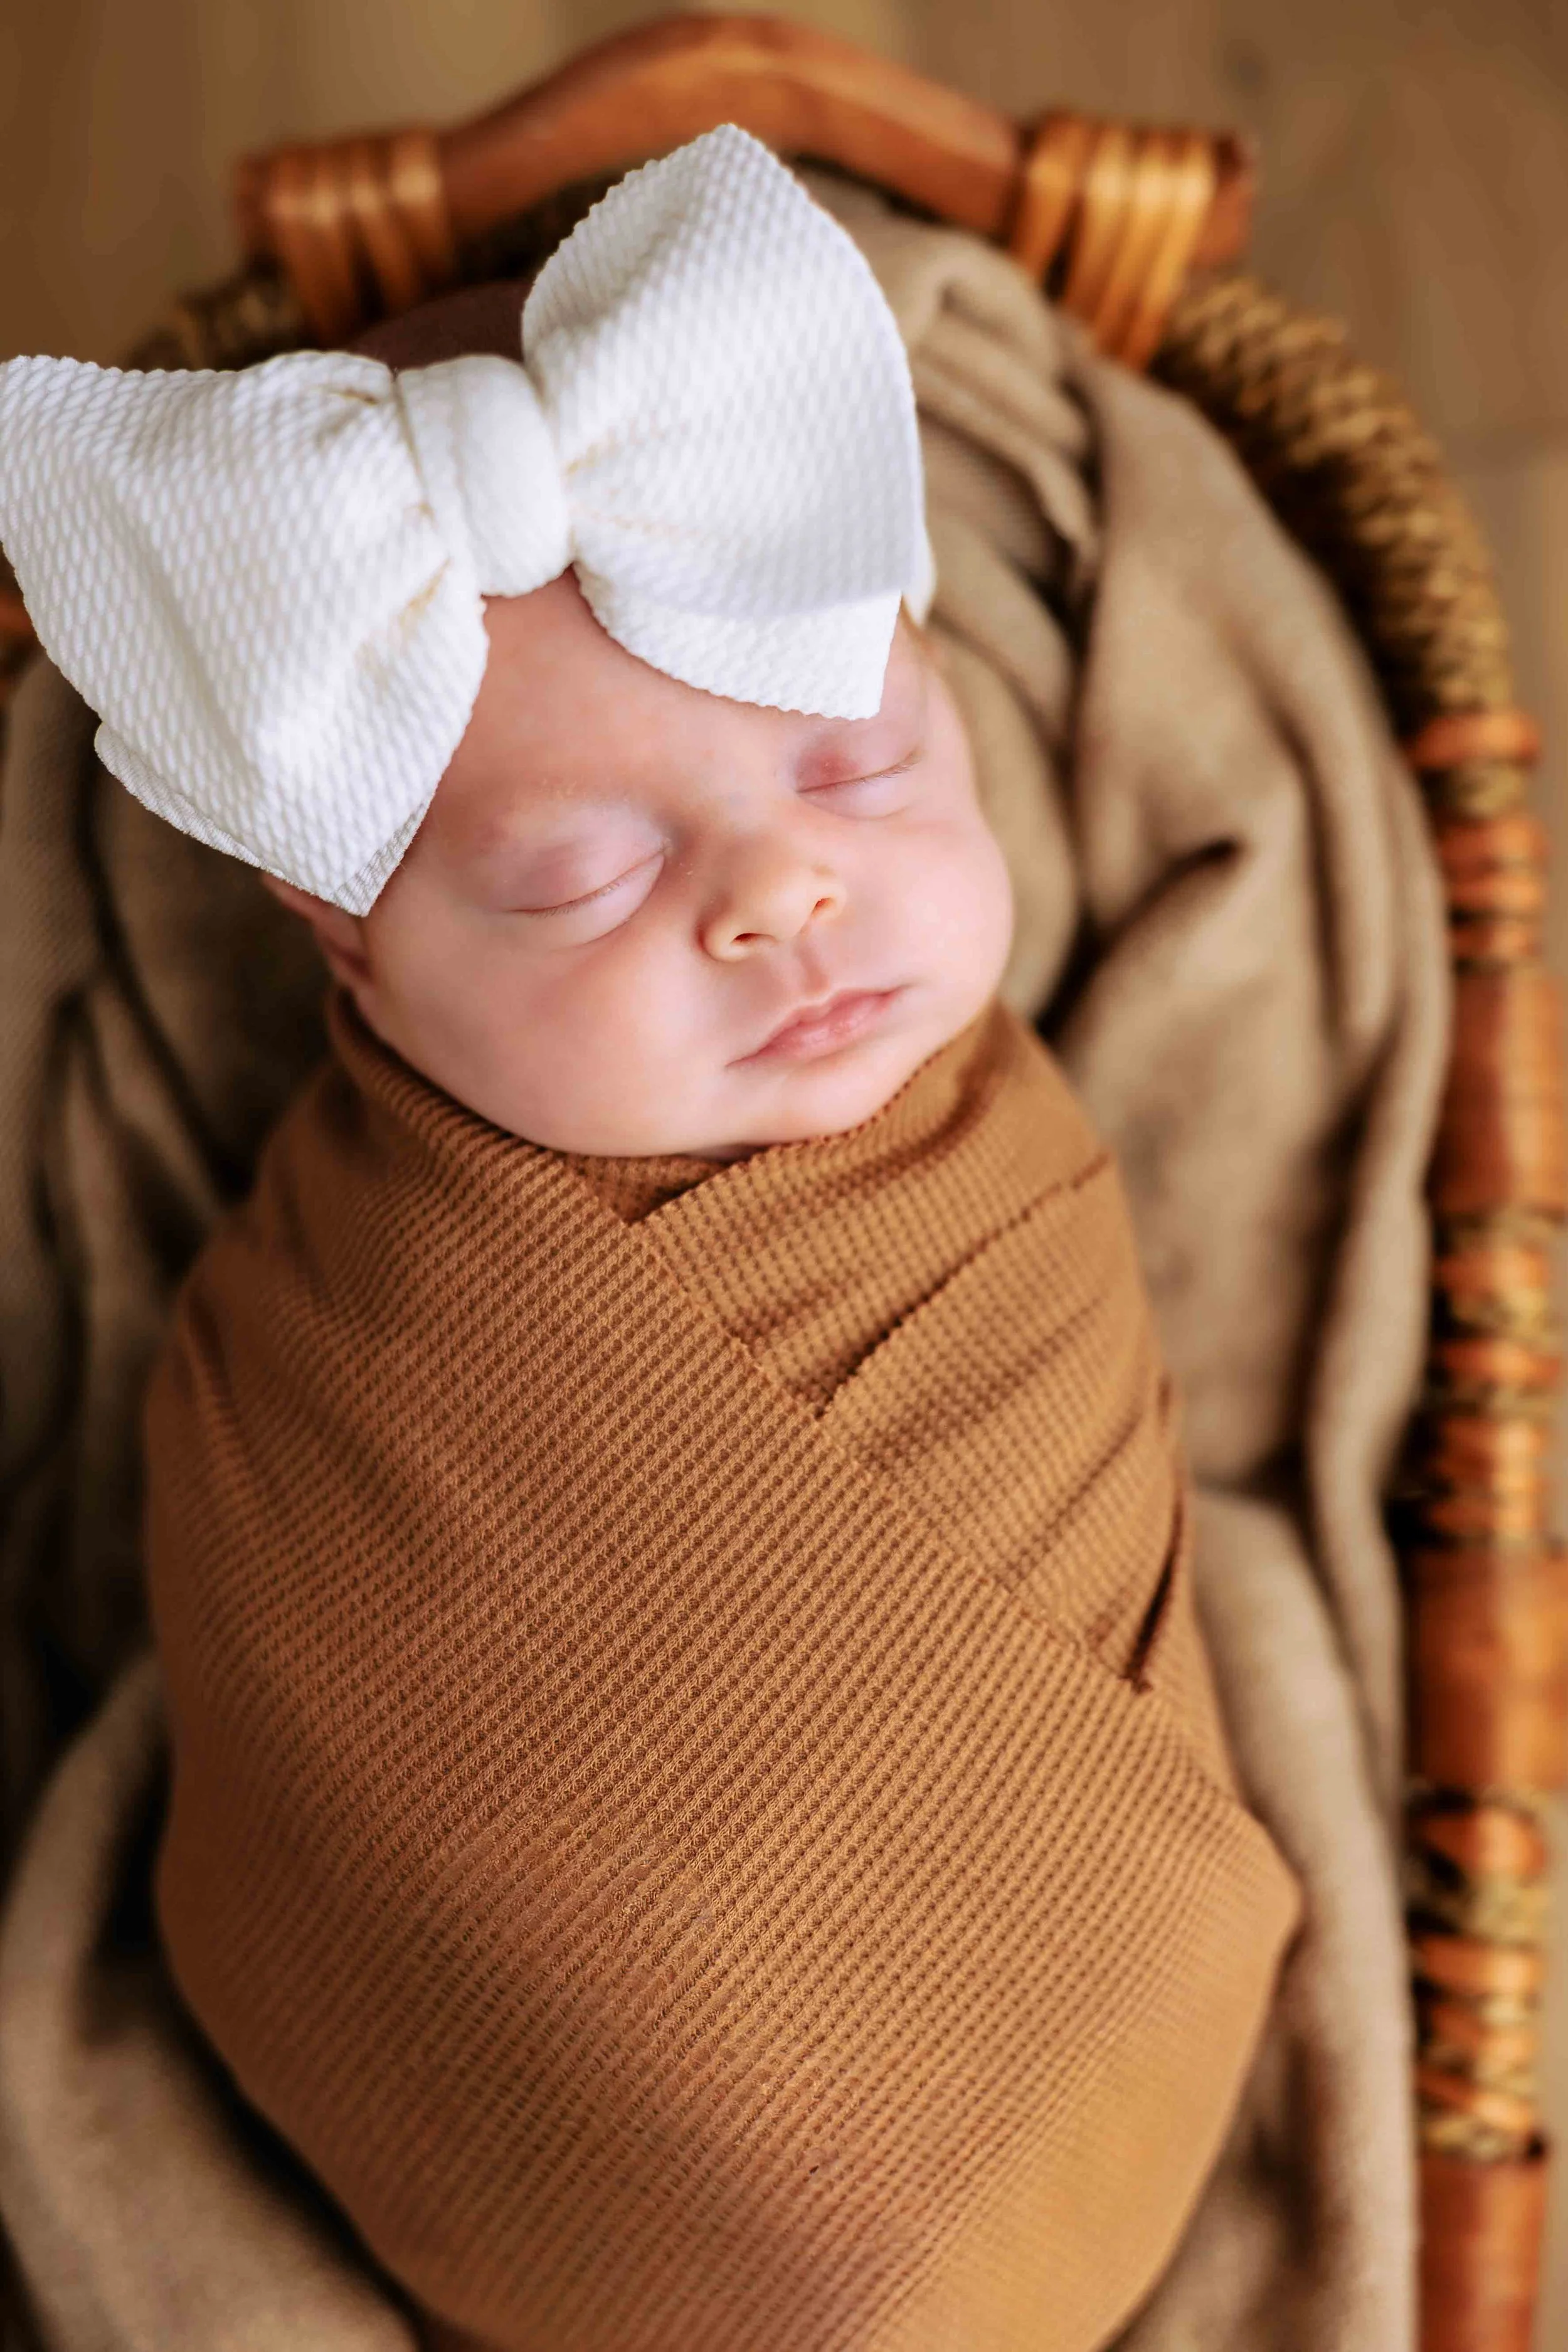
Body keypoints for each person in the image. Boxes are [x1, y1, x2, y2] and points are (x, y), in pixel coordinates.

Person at [0, 124, 1298, 2352]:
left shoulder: (998, 1134)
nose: (780, 893)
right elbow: (307, 1716)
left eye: (862, 769)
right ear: (356, 952)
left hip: (1087, 2071)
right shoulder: (317, 1334)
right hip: (566, 2192)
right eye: (581, 881)